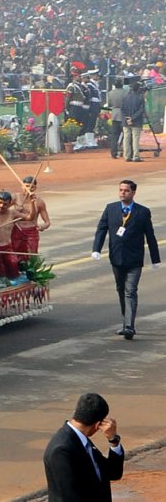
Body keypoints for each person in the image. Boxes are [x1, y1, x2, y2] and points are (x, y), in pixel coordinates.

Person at [92, 179, 160, 339]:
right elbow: (101, 230)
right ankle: (126, 321)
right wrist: (96, 249)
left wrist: (155, 258)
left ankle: (129, 326)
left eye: (126, 191)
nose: (123, 193)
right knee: (121, 290)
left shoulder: (142, 212)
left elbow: (150, 236)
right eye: (121, 190)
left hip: (134, 259)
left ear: (133, 193)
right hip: (116, 258)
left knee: (130, 291)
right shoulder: (111, 209)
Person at [42, 392, 124, 502]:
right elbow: (70, 497)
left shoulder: (81, 440)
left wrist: (113, 441)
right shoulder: (61, 450)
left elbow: (113, 472)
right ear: (97, 425)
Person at [0, 190, 34, 279]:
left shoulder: (13, 213)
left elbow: (30, 217)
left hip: (8, 247)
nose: (2, 206)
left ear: (9, 204)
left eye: (5, 204)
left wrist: (32, 203)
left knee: (13, 266)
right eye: (0, 203)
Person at [17, 176, 51, 254]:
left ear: (35, 188)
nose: (29, 189)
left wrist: (43, 226)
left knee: (32, 257)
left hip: (31, 232)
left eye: (32, 187)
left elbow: (47, 222)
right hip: (17, 231)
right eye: (27, 186)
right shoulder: (15, 198)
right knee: (16, 256)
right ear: (22, 186)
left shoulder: (39, 202)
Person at [119, 81, 146, 162]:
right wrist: (132, 118)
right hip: (136, 121)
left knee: (126, 138)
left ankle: (127, 156)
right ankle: (136, 156)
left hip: (126, 121)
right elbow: (141, 110)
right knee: (135, 139)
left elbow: (122, 109)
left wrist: (127, 118)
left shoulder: (125, 97)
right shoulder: (140, 98)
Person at [105, 79, 125, 159]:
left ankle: (113, 153)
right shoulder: (126, 92)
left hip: (115, 114)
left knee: (114, 136)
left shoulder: (110, 93)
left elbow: (109, 104)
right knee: (127, 135)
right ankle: (127, 151)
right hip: (124, 113)